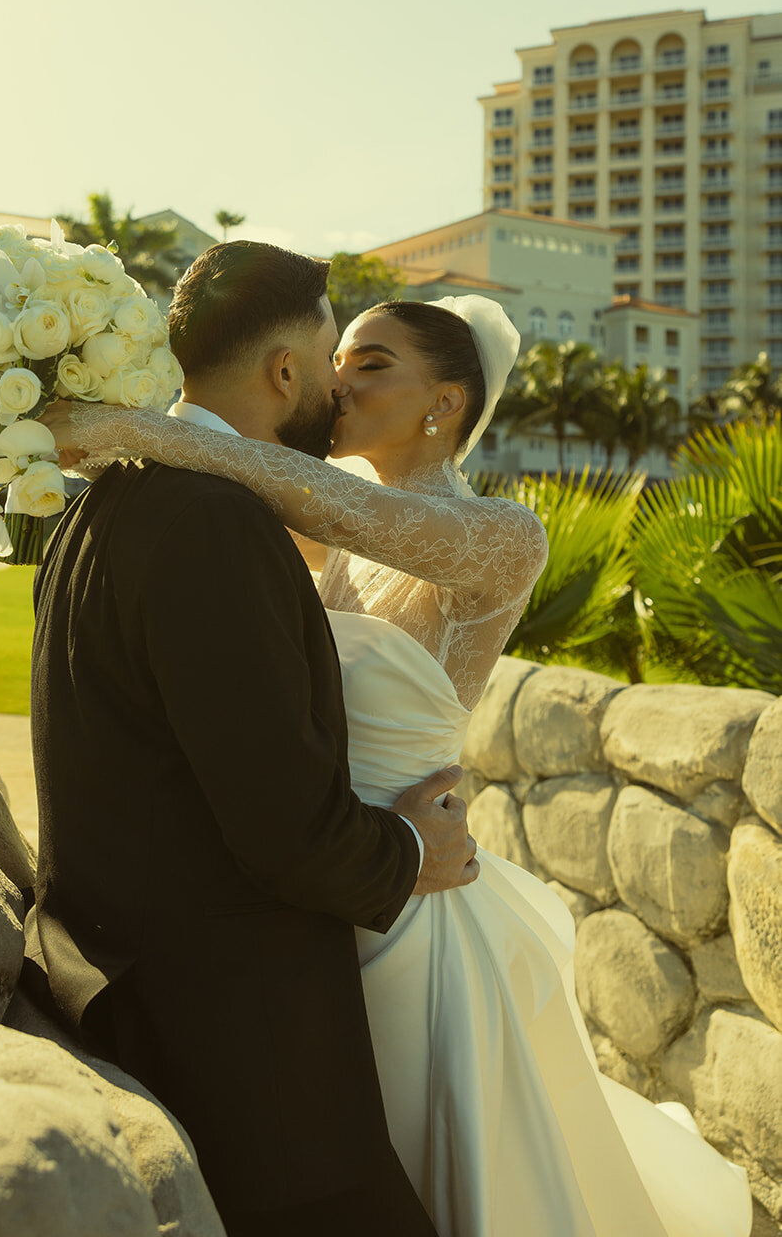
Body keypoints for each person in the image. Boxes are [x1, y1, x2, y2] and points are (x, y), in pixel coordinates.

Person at [44, 242, 753, 1237]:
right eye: (338, 357)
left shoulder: (498, 537)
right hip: (326, 882)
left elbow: (310, 487)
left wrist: (132, 426)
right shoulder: (308, 531)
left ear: (446, 404)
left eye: (371, 363)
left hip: (403, 894)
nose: (338, 377)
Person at [28, 241, 480, 1237]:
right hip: (234, 1040)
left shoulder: (103, 499)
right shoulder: (213, 522)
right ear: (284, 373)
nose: (334, 384)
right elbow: (284, 827)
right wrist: (412, 846)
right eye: (328, 361)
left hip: (136, 987)